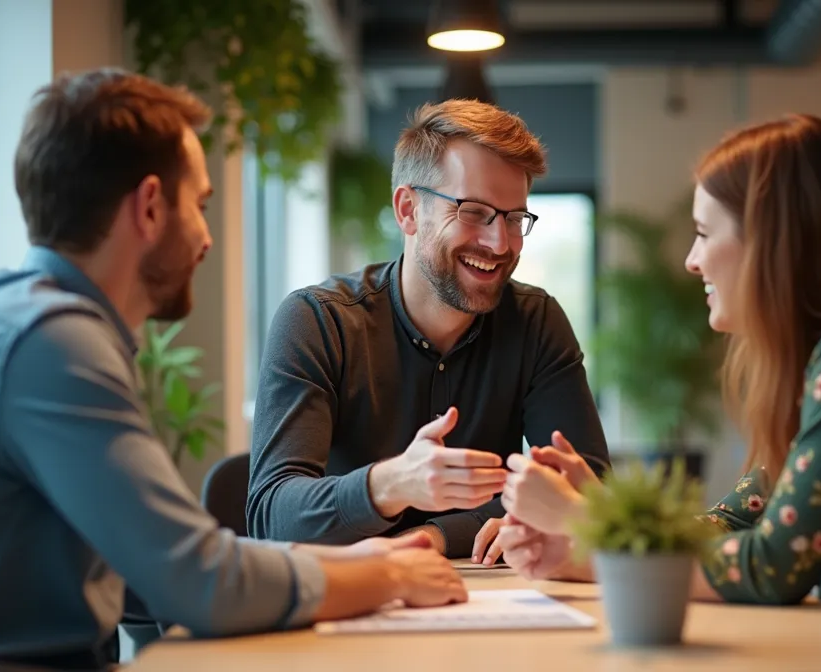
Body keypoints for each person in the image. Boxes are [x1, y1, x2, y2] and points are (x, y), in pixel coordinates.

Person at [0, 69, 466, 669]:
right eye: (199, 204)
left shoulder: (30, 319)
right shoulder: (49, 343)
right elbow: (199, 583)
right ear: (149, 207)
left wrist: (365, 566)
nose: (207, 236)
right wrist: (387, 574)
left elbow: (159, 566)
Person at [496, 114, 821, 662]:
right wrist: (610, 521)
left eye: (705, 233)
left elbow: (777, 565)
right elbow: (734, 522)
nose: (691, 260)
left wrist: (585, 529)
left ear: (775, 238)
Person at [248, 99, 611, 563]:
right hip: (344, 604)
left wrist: (438, 538)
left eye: (515, 218)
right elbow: (271, 516)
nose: (500, 243)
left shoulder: (536, 321)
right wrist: (394, 483)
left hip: (487, 609)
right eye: (474, 211)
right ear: (408, 210)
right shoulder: (317, 322)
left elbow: (587, 489)